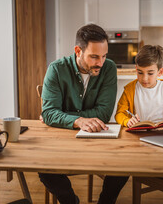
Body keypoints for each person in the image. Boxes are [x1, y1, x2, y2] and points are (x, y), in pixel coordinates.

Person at [39, 24, 128, 204]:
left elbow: (103, 112)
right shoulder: (56, 69)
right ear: (78, 51)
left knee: (125, 165)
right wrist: (78, 120)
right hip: (63, 141)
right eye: (94, 57)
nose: (100, 63)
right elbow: (49, 113)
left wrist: (64, 116)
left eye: (104, 56)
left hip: (98, 138)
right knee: (44, 169)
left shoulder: (108, 68)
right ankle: (71, 201)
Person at [115, 45, 163, 130]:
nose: (144, 78)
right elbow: (119, 114)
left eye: (150, 73)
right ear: (136, 69)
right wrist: (127, 121)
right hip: (139, 133)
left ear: (160, 72)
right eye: (140, 72)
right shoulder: (129, 89)